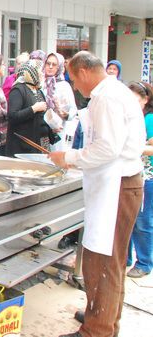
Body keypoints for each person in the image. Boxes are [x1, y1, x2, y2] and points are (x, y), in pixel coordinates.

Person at [50, 51, 144, 337]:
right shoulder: (114, 91)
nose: (75, 88)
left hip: (119, 186)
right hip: (117, 184)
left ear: (84, 72)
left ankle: (97, 330)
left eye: (74, 80)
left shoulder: (107, 97)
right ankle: (101, 316)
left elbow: (107, 148)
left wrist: (70, 157)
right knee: (110, 260)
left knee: (103, 261)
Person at [126, 81, 153, 279]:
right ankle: (124, 259)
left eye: (137, 99)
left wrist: (137, 146)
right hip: (128, 174)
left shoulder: (149, 119)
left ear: (146, 99)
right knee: (126, 219)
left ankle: (144, 262)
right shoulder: (127, 118)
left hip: (147, 177)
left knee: (142, 222)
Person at [6, 60, 55, 156]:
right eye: (39, 71)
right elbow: (13, 116)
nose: (42, 74)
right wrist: (34, 108)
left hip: (40, 141)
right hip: (24, 145)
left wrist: (53, 126)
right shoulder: (18, 90)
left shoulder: (38, 91)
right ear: (31, 73)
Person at [43, 52, 77, 151]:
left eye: (54, 65)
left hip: (58, 130)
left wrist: (63, 113)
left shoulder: (64, 86)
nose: (50, 67)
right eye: (48, 63)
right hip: (41, 130)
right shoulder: (40, 82)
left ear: (60, 67)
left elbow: (73, 110)